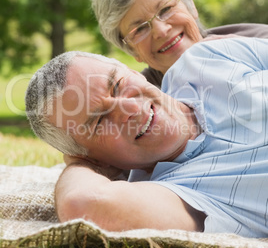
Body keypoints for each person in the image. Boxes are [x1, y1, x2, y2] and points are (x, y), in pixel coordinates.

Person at [25, 36, 268, 237]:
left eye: (118, 85)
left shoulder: (204, 59)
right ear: (95, 159)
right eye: (99, 121)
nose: (130, 109)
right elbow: (83, 204)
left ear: (133, 71)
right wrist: (79, 164)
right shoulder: (173, 193)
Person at [91, 0, 268, 87]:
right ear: (131, 50)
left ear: (190, 4)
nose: (161, 30)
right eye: (140, 29)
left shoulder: (258, 43)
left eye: (166, 9)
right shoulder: (140, 108)